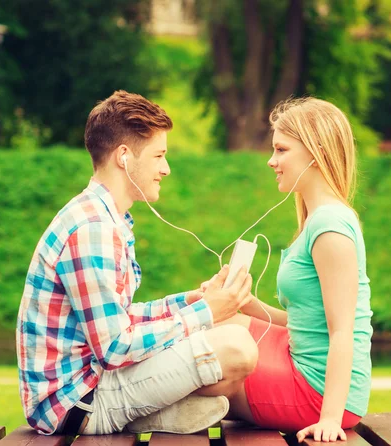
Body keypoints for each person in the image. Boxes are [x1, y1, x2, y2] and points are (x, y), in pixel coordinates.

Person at [16, 90, 258, 436]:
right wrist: (204, 315)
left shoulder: (104, 218)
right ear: (124, 157)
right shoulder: (92, 230)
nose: (166, 168)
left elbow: (117, 320)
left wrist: (189, 302)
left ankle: (148, 416)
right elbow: (115, 348)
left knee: (234, 324)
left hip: (95, 380)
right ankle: (144, 416)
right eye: (159, 155)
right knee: (237, 349)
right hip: (76, 402)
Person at [206, 97, 373, 443]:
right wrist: (246, 303)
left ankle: (114, 402)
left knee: (209, 361)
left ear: (316, 151)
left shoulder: (330, 227)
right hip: (299, 360)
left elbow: (343, 332)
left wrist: (330, 418)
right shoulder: (317, 219)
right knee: (218, 322)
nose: (272, 161)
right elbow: (309, 321)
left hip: (318, 391)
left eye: (281, 150)